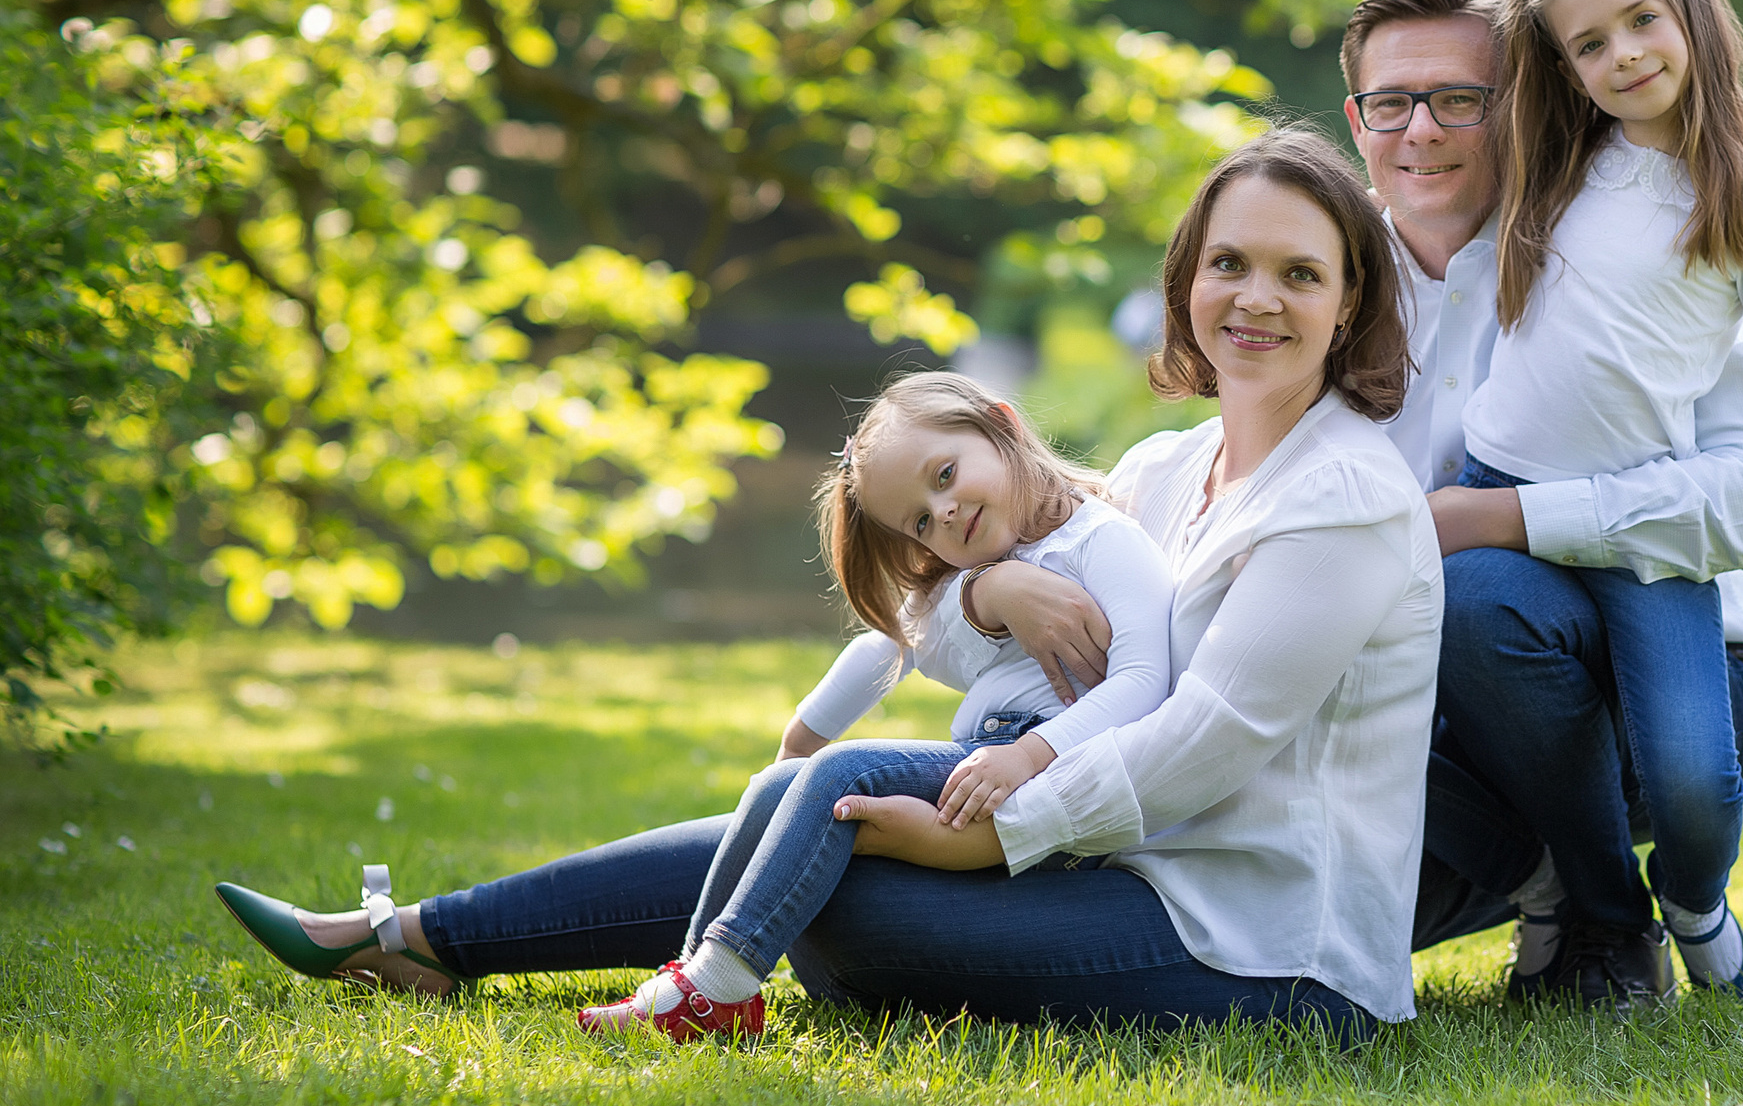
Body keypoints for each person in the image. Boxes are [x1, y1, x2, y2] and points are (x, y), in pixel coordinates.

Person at [212, 130, 1442, 1041]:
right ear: (1184, 280)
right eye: (1228, 262)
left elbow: (1207, 739)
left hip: (1267, 948)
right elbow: (1007, 589)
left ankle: (694, 978)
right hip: (1125, 871)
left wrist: (996, 835)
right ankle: (425, 940)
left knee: (828, 882)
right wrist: (985, 600)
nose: (1255, 299)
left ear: (1348, 304)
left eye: (1299, 273)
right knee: (805, 812)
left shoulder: (1345, 497)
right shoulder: (1168, 471)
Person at [1324, 0, 1743, 1009]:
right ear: (1354, 117)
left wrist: (1503, 516)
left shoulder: (1623, 260)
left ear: (1529, 104)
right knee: (1295, 892)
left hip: (1645, 696)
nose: (1422, 131)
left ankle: (1601, 913)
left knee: (1475, 598)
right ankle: (1537, 876)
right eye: (1390, 103)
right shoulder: (1312, 277)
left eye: (1462, 99)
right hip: (1422, 715)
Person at [1452, 0, 1743, 1008]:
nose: (1621, 55)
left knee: (1693, 779)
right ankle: (1603, 921)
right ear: (1561, 68)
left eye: (1640, 21)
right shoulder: (1549, 169)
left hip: (1638, 525)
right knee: (1482, 646)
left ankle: (1694, 900)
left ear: (1689, 11)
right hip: (1499, 490)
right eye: (1587, 43)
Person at [569, 372, 1177, 1040]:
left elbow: (1146, 680)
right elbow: (888, 644)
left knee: (841, 774)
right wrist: (799, 739)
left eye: (945, 474)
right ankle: (694, 979)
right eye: (920, 519)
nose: (942, 511)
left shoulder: (1103, 540)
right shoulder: (993, 566)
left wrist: (1025, 755)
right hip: (992, 760)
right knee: (793, 779)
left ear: (1002, 426)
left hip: (1052, 786)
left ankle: (711, 991)